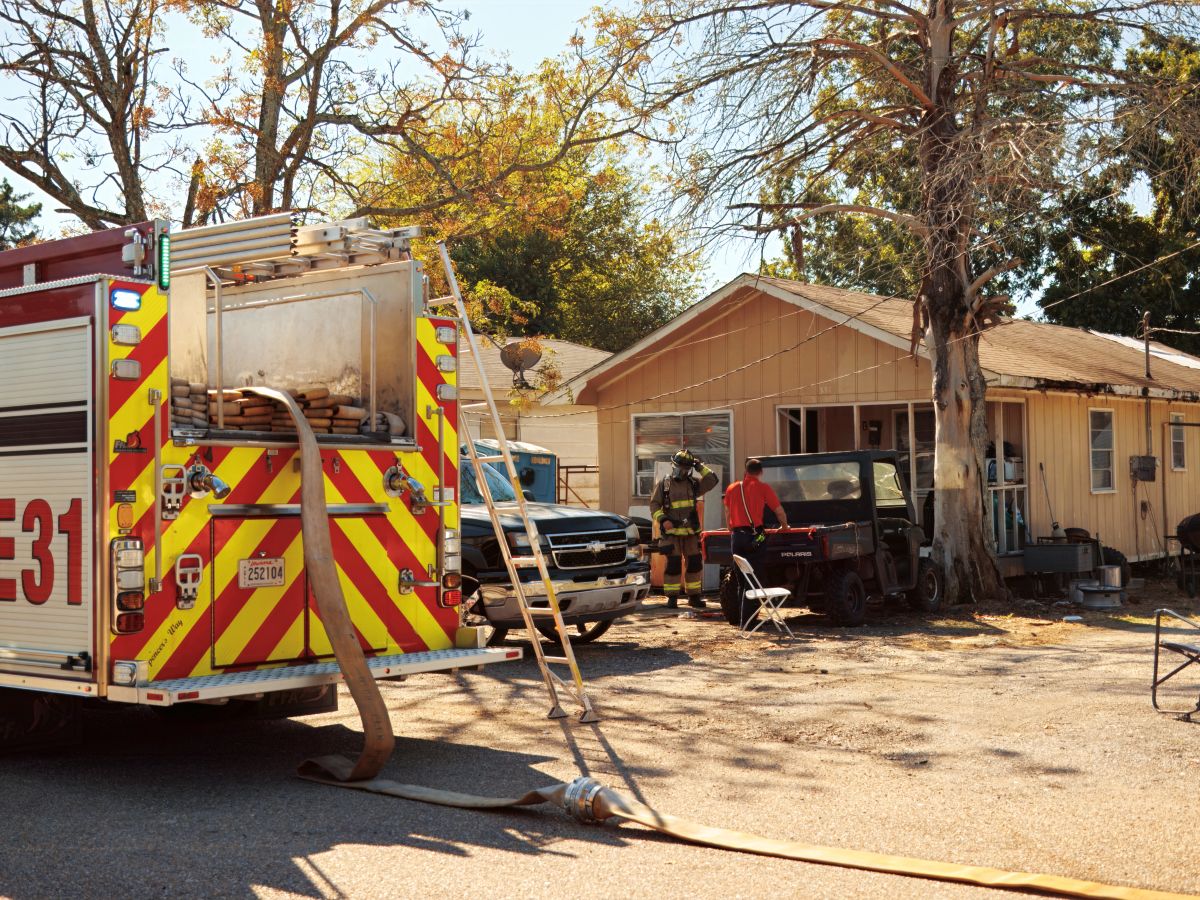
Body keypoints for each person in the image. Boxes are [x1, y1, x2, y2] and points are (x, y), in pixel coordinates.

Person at [650, 448, 718, 609]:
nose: (683, 471)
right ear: (673, 465)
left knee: (694, 563)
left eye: (686, 468)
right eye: (680, 467)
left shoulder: (694, 484)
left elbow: (712, 480)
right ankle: (672, 598)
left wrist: (699, 466)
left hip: (690, 533)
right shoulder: (664, 484)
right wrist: (663, 519)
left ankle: (694, 597)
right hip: (672, 533)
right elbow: (654, 505)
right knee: (673, 565)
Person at [724, 459, 790, 614]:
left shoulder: (732, 488)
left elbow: (727, 512)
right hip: (755, 537)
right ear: (761, 472)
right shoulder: (763, 487)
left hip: (737, 537)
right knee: (754, 580)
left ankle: (740, 618)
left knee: (741, 581)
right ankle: (749, 619)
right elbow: (779, 511)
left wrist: (730, 528)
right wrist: (785, 526)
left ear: (745, 471)